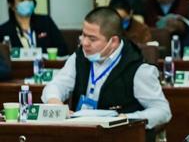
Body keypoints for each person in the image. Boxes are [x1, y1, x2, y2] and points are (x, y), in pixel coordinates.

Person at [41, 7, 172, 130]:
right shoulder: (80, 57)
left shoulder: (138, 69)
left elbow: (162, 111)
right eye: (83, 35)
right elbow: (56, 85)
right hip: (81, 133)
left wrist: (126, 119)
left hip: (120, 137)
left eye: (92, 39)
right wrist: (55, 102)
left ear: (113, 42)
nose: (84, 43)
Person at [1, 0, 68, 55]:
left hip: (46, 62)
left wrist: (44, 55)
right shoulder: (4, 30)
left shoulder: (45, 21)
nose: (27, 2)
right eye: (21, 0)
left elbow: (63, 49)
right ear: (12, 6)